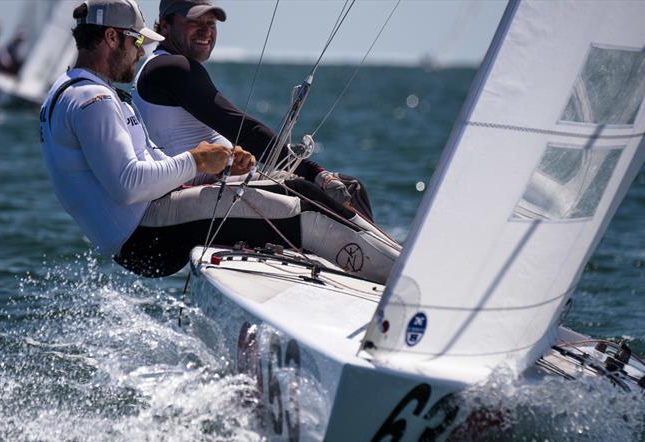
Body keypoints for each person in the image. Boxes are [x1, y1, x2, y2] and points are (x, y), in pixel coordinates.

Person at [40, 0, 398, 284]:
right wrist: (198, 161)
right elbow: (128, 184)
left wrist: (218, 163)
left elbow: (148, 161)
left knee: (300, 190)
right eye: (136, 41)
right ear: (111, 38)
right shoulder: (93, 102)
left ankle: (396, 260)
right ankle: (408, 284)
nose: (139, 51)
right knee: (304, 212)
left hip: (147, 227)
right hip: (147, 234)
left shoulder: (72, 92)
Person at [133, 0, 375, 221]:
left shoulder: (161, 65)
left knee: (349, 187)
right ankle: (385, 266)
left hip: (192, 196)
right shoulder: (173, 68)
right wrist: (316, 173)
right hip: (177, 207)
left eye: (211, 23)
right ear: (165, 26)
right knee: (321, 191)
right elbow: (244, 130)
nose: (206, 30)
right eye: (194, 22)